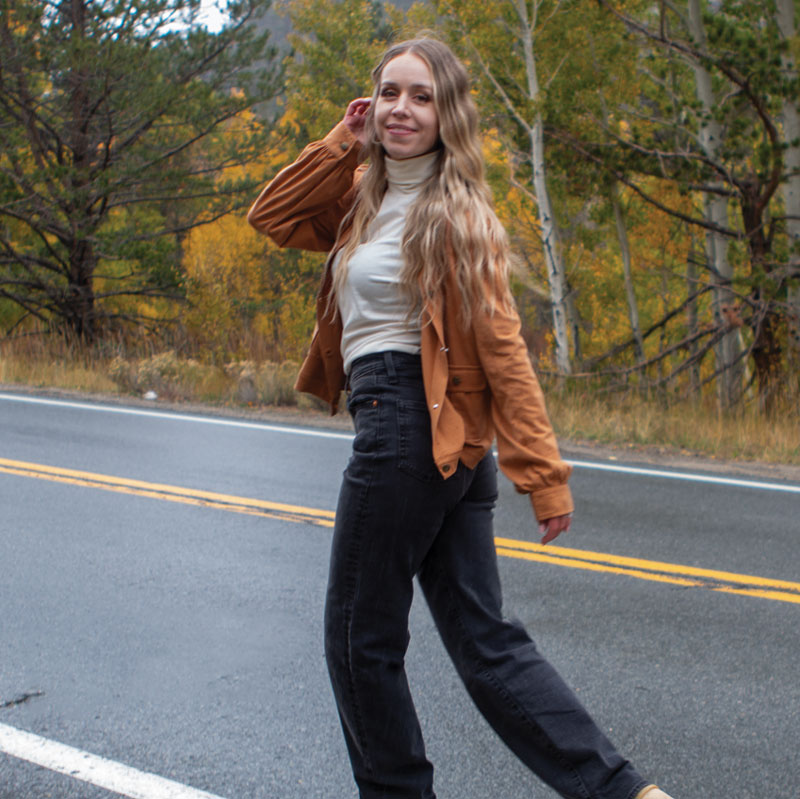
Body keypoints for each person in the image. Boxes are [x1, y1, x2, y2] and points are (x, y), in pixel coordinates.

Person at [248, 36, 673, 799]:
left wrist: (544, 474)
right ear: (370, 107)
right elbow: (272, 215)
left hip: (407, 429)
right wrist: (341, 141)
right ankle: (625, 793)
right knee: (487, 643)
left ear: (449, 114)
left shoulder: (456, 215)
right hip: (437, 443)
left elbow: (504, 350)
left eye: (421, 95)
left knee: (357, 639)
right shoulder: (360, 199)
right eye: (388, 94)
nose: (401, 109)